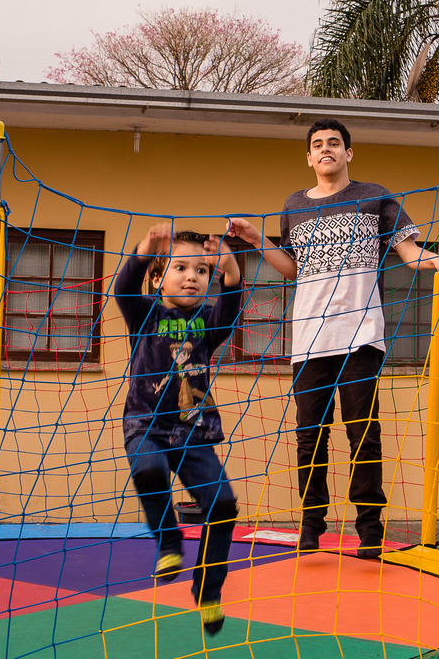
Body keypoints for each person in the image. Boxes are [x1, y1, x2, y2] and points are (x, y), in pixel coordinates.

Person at [228, 118, 439, 559]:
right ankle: (311, 527)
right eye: (317, 144)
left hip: (361, 336)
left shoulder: (375, 197)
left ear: (348, 153)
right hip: (309, 339)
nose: (325, 149)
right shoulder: (295, 205)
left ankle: (370, 530)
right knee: (309, 436)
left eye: (334, 143)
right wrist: (257, 238)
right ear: (309, 156)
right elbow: (294, 269)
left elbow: (409, 253)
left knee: (363, 434)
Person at [114, 224, 244, 635]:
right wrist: (145, 249)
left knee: (223, 506)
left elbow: (232, 305)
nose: (192, 276)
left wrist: (231, 270)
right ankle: (169, 543)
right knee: (149, 471)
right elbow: (123, 288)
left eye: (201, 271)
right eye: (180, 267)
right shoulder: (146, 314)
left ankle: (208, 590)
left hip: (195, 430)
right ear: (158, 277)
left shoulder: (208, 321)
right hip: (146, 425)